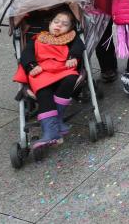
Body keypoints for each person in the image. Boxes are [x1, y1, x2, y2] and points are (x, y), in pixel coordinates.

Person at [13, 8, 83, 149]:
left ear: (70, 28)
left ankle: (55, 122)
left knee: (71, 78)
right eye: (56, 22)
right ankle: (51, 132)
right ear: (50, 23)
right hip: (42, 71)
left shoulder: (70, 38)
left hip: (62, 68)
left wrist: (73, 56)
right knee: (43, 91)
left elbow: (78, 46)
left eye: (64, 24)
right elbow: (27, 53)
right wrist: (32, 65)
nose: (59, 25)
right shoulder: (38, 38)